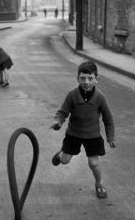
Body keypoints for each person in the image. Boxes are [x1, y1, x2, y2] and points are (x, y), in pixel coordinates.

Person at [50, 61, 116, 199]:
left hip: (92, 135)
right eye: (83, 78)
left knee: (93, 163)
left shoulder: (100, 97)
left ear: (97, 79)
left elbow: (108, 119)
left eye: (90, 78)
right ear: (77, 79)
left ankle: (99, 184)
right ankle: (60, 155)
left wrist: (111, 137)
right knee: (65, 160)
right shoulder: (72, 95)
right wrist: (58, 121)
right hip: (74, 133)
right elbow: (62, 112)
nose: (86, 82)